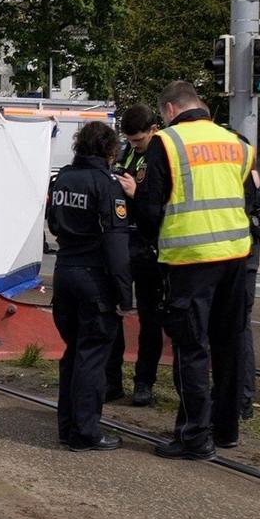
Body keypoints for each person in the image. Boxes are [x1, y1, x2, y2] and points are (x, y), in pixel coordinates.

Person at [134, 81, 252, 460]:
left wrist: (157, 241)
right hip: (236, 255)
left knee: (191, 348)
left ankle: (194, 436)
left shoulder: (166, 143)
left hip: (190, 260)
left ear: (169, 110)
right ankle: (226, 429)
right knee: (229, 344)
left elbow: (150, 209)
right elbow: (254, 199)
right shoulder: (237, 142)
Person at [48, 121, 134, 452]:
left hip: (64, 274)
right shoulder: (106, 185)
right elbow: (116, 245)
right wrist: (125, 296)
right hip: (94, 280)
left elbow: (54, 224)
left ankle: (68, 427)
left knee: (74, 353)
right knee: (92, 358)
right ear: (111, 151)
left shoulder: (62, 179)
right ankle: (86, 432)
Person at [105, 104, 165, 407]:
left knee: (150, 318)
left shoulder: (161, 154)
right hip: (123, 243)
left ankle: (144, 382)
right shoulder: (129, 153)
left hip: (148, 246)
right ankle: (112, 381)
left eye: (139, 140)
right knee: (114, 311)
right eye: (130, 140)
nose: (134, 145)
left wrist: (134, 194)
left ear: (154, 129)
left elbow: (159, 208)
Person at [237, 158, 260, 420]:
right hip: (246, 248)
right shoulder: (244, 157)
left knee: (236, 326)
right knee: (239, 325)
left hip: (236, 251)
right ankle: (241, 398)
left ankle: (240, 398)